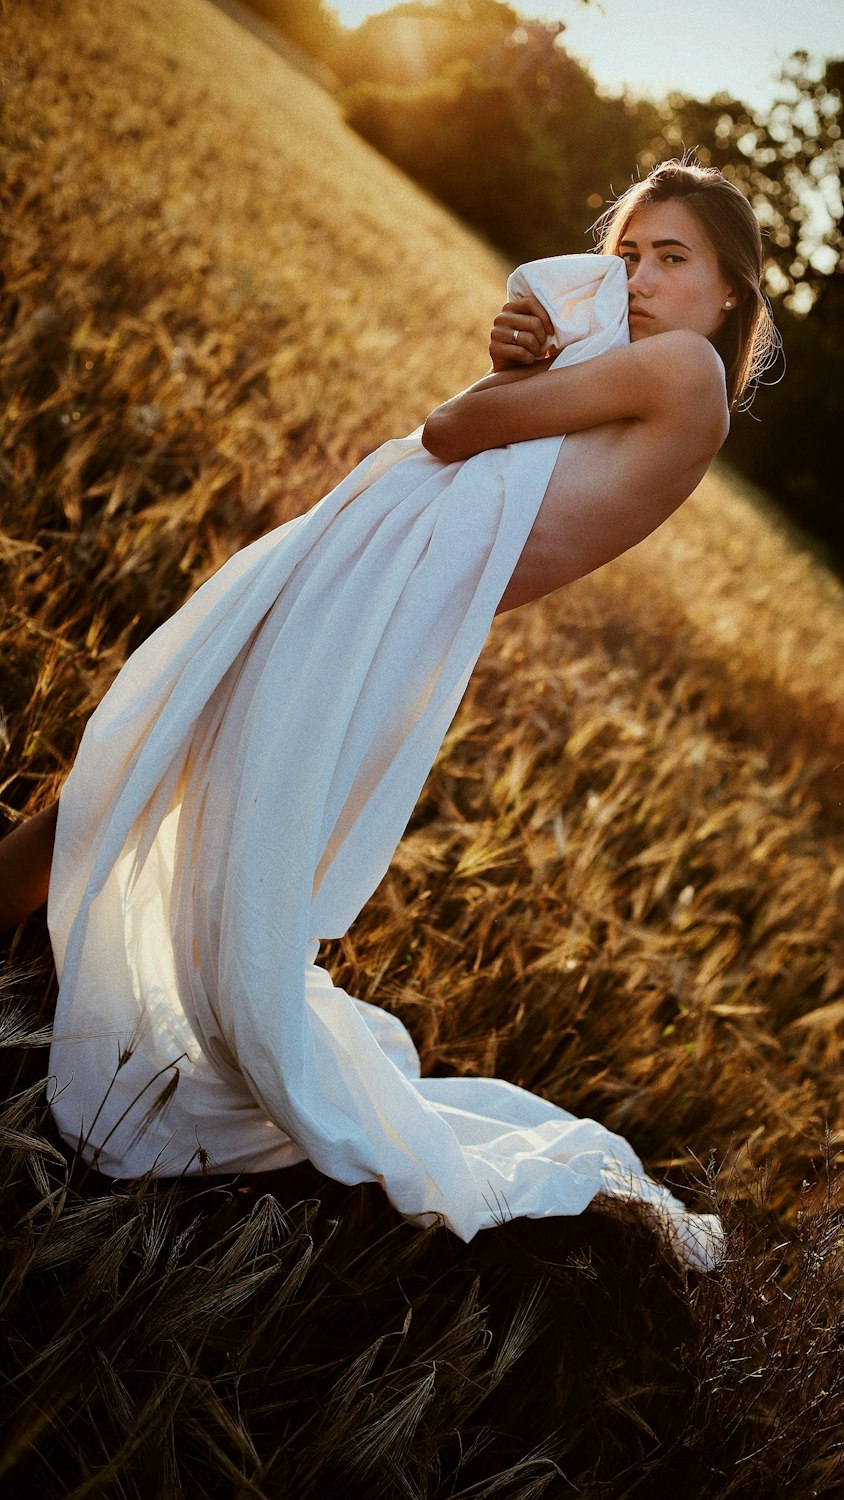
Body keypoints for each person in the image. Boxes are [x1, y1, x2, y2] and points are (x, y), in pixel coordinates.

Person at [0, 160, 776, 1263]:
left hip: (377, 599)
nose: (640, 278)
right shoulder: (646, 370)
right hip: (375, 576)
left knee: (169, 759)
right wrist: (526, 364)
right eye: (630, 252)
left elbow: (457, 431)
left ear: (729, 292)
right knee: (162, 752)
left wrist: (506, 377)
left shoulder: (687, 372)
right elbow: (499, 441)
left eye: (673, 258)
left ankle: (172, 1036)